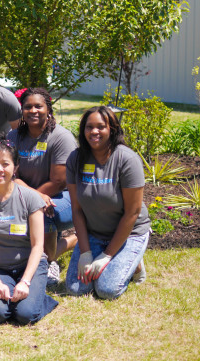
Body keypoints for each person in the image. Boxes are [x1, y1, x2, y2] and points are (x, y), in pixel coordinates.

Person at [0, 135, 58, 324]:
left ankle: (39, 298)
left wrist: (25, 282)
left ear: (15, 167)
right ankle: (18, 294)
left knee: (25, 315)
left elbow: (38, 245)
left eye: (5, 164)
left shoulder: (31, 198)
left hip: (29, 266)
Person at [65, 106, 151, 300]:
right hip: (94, 233)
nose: (94, 132)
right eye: (89, 127)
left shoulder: (127, 159)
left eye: (101, 127)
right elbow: (77, 209)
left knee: (106, 290)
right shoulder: (76, 159)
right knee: (76, 289)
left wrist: (107, 256)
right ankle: (123, 259)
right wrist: (85, 252)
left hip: (129, 233)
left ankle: (134, 263)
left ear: (112, 129)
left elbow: (132, 213)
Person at [7, 88, 78, 285]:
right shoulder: (13, 137)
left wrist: (33, 200)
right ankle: (71, 242)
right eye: (28, 107)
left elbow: (59, 181)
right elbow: (10, 175)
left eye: (38, 106)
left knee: (41, 213)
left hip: (64, 198)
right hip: (28, 195)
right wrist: (33, 197)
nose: (33, 111)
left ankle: (49, 263)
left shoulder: (61, 137)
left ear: (49, 109)